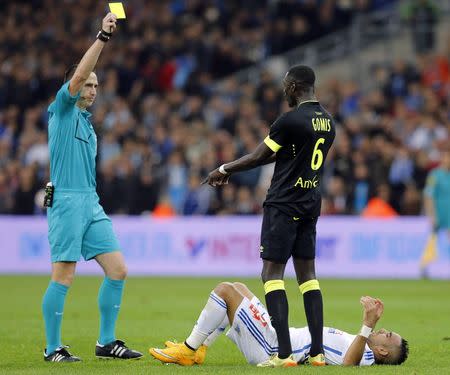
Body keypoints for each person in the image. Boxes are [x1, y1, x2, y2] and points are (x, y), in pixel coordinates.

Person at [202, 65, 336, 367]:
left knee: (271, 275)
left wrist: (224, 169)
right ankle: (317, 353)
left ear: (293, 87)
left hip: (284, 203)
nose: (283, 91)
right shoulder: (327, 121)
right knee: (308, 277)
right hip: (310, 200)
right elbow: (288, 154)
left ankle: (284, 355)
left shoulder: (289, 120)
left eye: (286, 86)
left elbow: (261, 155)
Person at [42, 13, 142, 362]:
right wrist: (103, 35)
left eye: (97, 86)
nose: (93, 89)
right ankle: (52, 348)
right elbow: (81, 72)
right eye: (88, 84)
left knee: (118, 270)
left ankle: (106, 342)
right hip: (67, 203)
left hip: (90, 203)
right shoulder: (62, 111)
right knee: (64, 275)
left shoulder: (87, 124)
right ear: (73, 86)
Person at [149, 282, 409, 367]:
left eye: (388, 335)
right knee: (238, 288)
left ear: (383, 351)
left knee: (226, 291)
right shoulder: (361, 345)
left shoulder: (365, 354)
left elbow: (348, 365)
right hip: (275, 338)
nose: (383, 330)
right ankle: (201, 347)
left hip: (272, 349)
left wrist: (366, 324)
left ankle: (188, 349)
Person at [421, 149, 450, 273]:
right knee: (432, 240)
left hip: (448, 213)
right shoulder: (435, 175)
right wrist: (431, 214)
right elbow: (428, 195)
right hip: (438, 213)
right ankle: (425, 265)